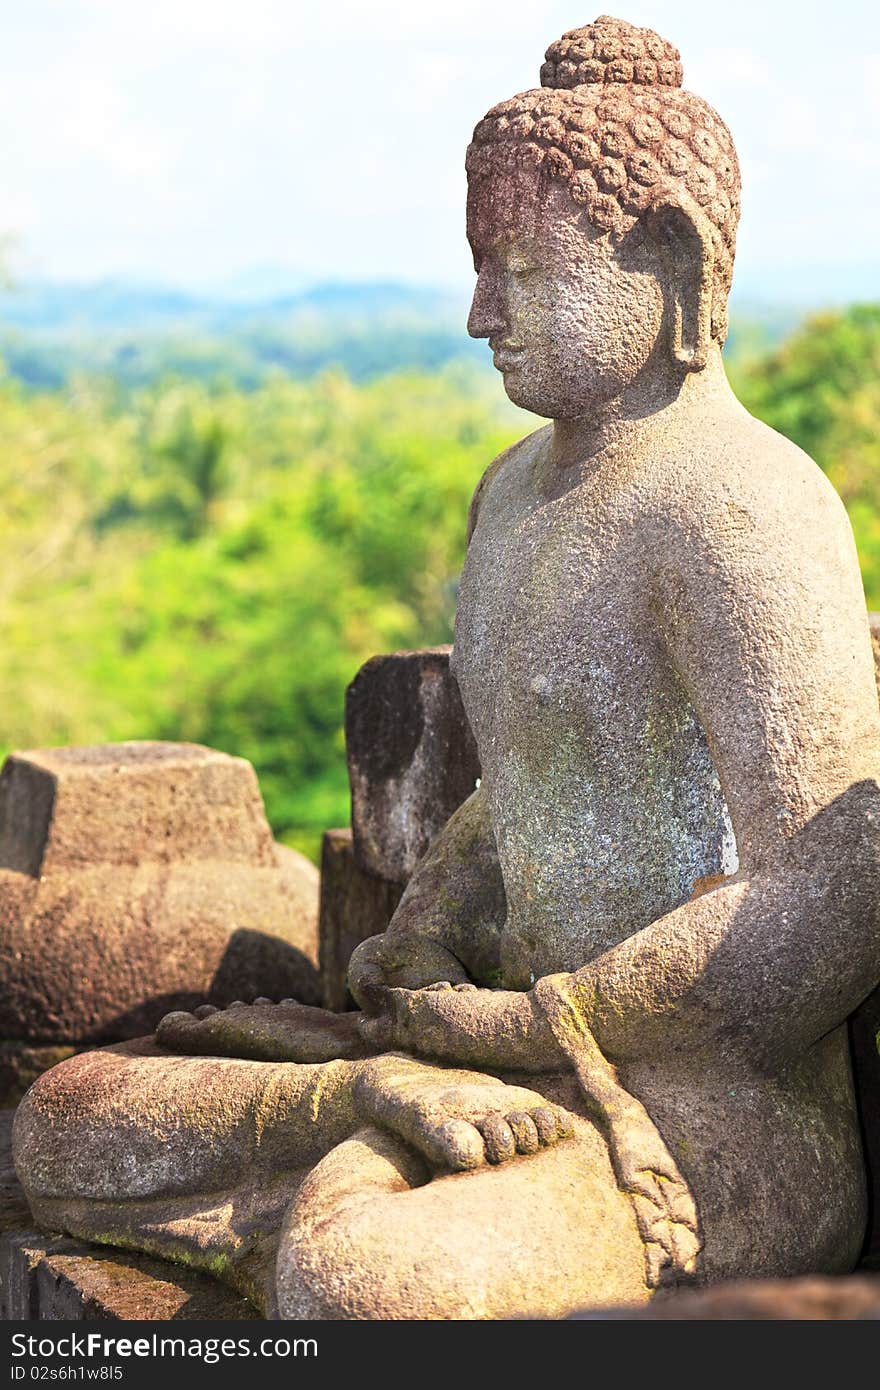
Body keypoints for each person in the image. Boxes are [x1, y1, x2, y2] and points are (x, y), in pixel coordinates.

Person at [14, 16, 880, 1319]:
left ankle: (334, 1199)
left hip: (697, 1108)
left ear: (669, 255)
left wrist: (544, 1021)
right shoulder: (512, 495)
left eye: (518, 269)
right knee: (64, 1120)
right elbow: (532, 790)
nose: (480, 313)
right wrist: (423, 938)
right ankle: (357, 1112)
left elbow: (832, 892)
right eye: (477, 267)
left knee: (369, 1277)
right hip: (464, 1055)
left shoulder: (741, 508)